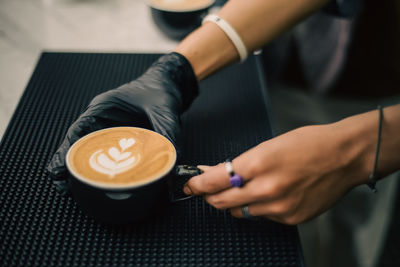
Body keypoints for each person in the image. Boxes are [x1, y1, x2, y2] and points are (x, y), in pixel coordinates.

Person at [47, 0, 400, 266]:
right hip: (280, 73)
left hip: (378, 93)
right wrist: (178, 69)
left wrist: (362, 150)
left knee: (352, 227)